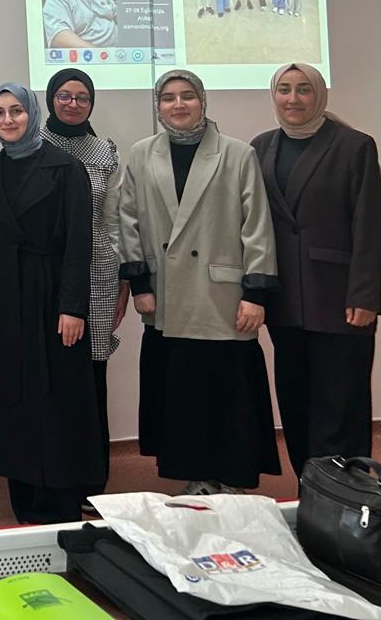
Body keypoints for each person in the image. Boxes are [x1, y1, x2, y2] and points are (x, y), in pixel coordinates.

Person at [118, 70, 280, 494]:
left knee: (228, 391)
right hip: (167, 295)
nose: (178, 104)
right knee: (182, 394)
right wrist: (140, 285)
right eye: (168, 97)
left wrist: (256, 293)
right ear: (158, 106)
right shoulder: (141, 154)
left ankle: (233, 477)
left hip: (221, 295)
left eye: (187, 96)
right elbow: (127, 219)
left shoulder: (238, 153)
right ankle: (196, 477)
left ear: (202, 101)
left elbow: (257, 227)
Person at [250, 63, 381, 474]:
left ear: (319, 94)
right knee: (295, 401)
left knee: (341, 404)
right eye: (284, 89)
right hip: (284, 298)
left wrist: (365, 295)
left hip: (340, 298)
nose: (293, 99)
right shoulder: (260, 146)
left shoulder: (354, 145)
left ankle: (347, 489)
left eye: (304, 89)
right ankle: (310, 485)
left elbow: (367, 226)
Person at [0, 84, 101, 524]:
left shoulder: (66, 167)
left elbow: (79, 243)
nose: (8, 120)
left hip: (53, 291)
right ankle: (24, 494)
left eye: (16, 110)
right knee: (13, 392)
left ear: (32, 113)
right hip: (6, 293)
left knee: (58, 394)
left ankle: (62, 498)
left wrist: (74, 306)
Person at [40, 69, 125, 500]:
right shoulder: (33, 145)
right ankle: (55, 474)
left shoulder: (104, 151)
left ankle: (93, 480)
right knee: (52, 378)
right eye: (64, 95)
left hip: (97, 276)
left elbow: (117, 219)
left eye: (82, 98)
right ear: (50, 99)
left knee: (92, 380)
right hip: (45, 278)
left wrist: (123, 280)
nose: (72, 104)